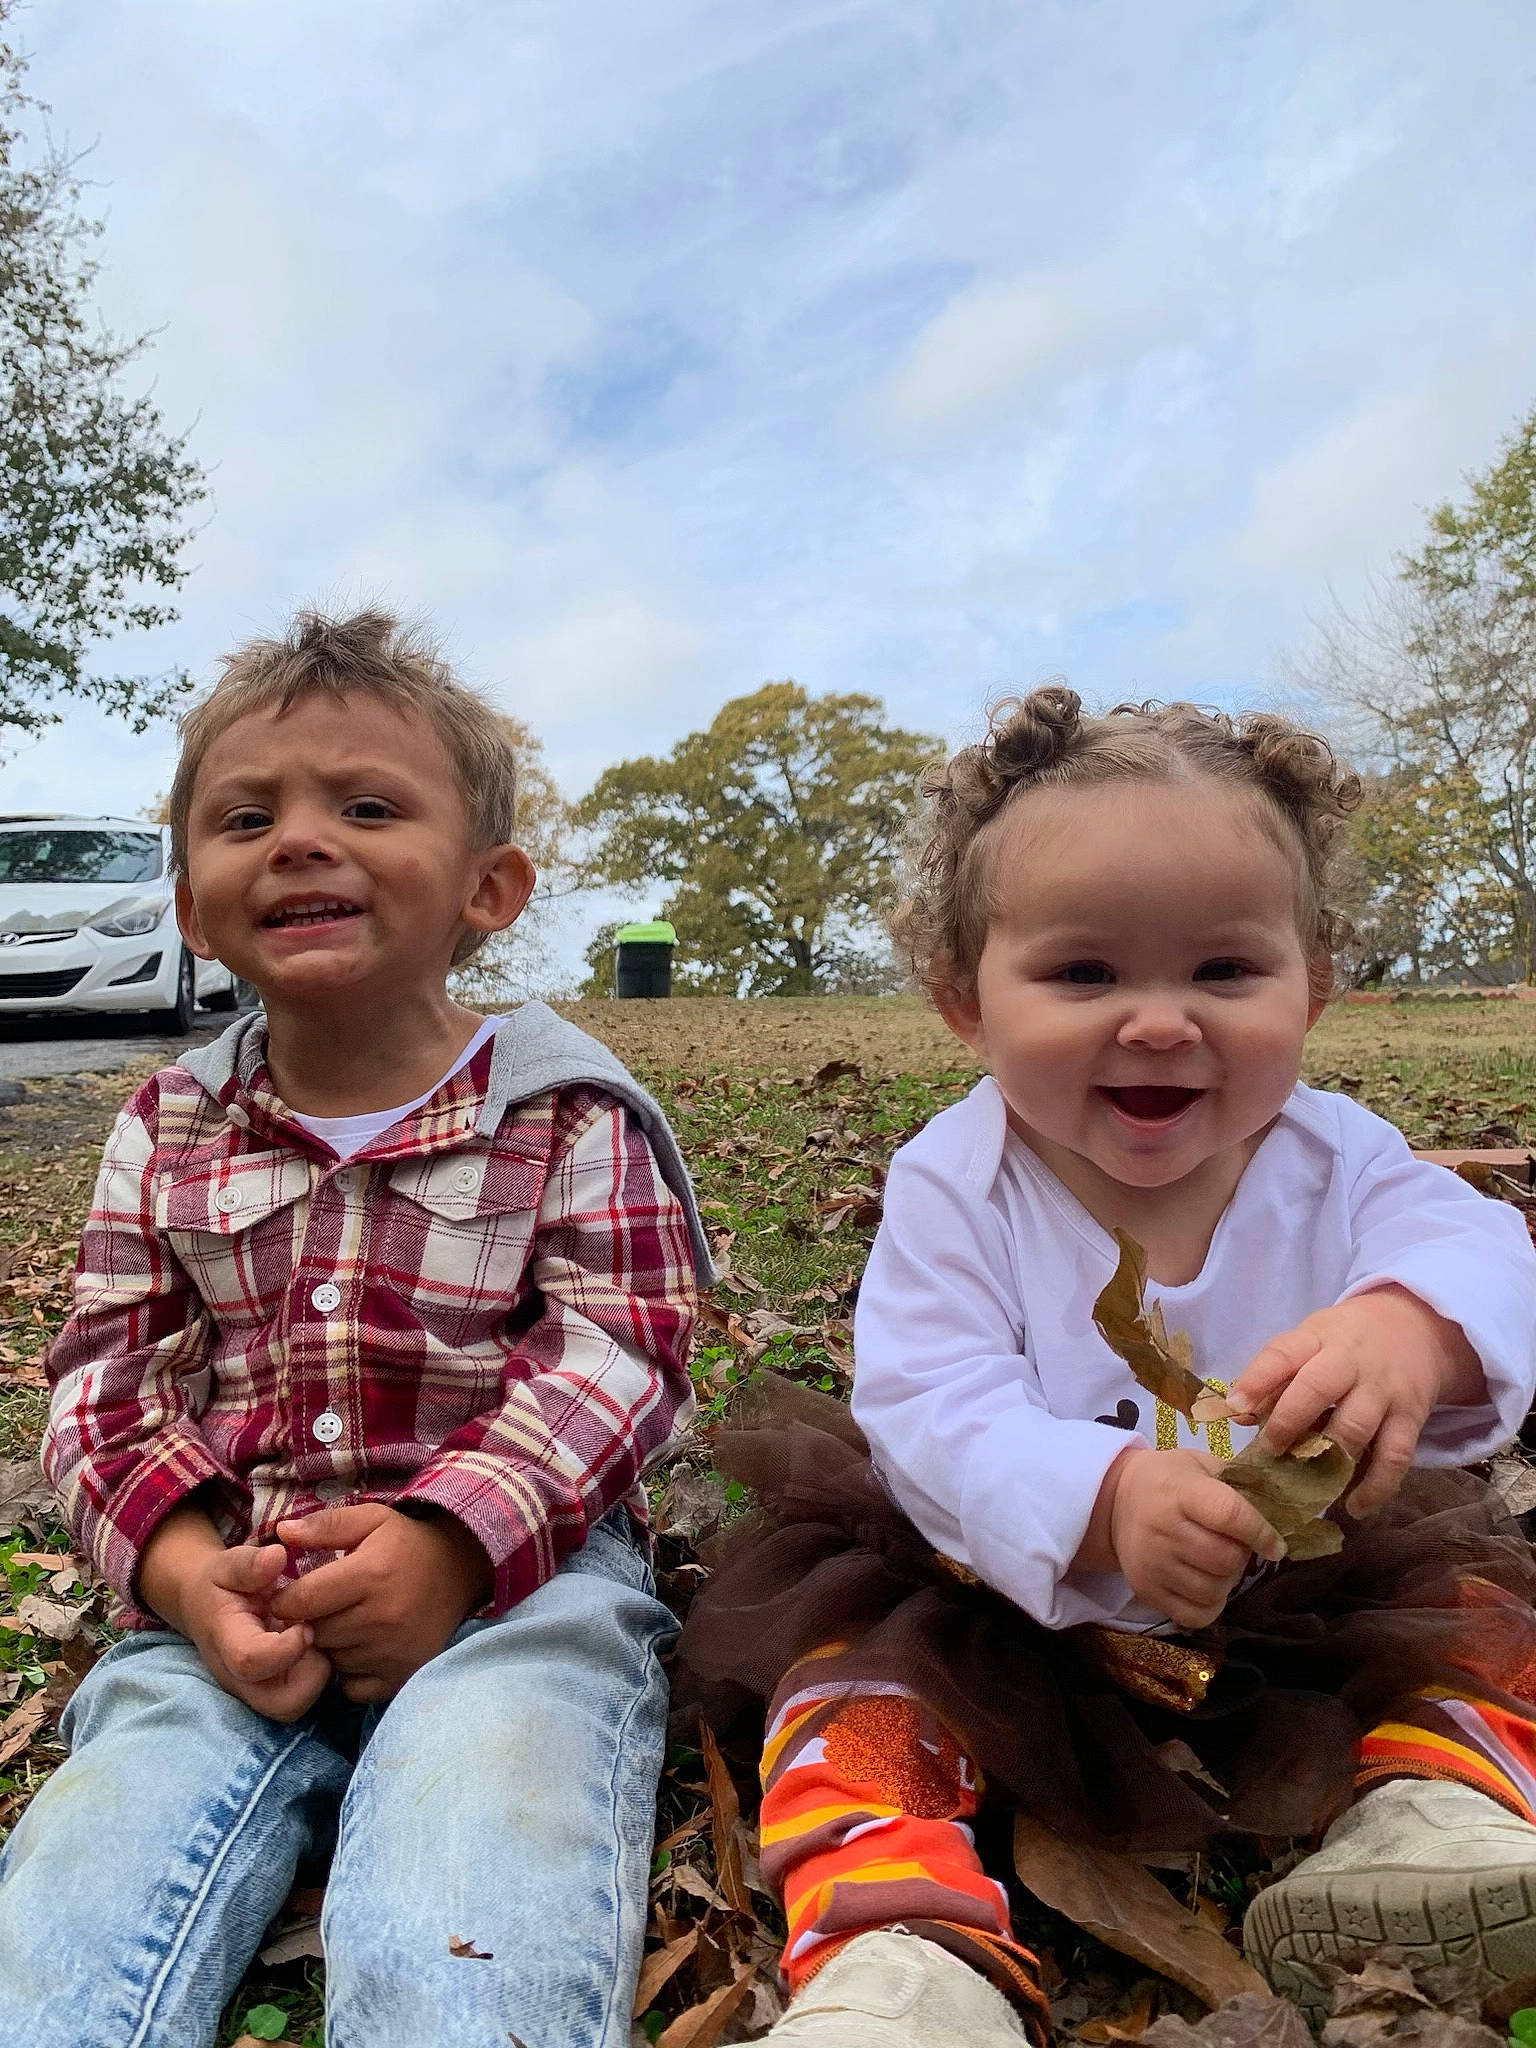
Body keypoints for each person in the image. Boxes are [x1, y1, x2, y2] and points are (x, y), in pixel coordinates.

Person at [676, 687, 1536, 2048]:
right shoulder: (960, 1181)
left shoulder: (1343, 1160)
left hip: (1305, 1580)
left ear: (1313, 980)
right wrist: (1099, 1495)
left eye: (1223, 972)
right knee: (851, 1684)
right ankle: (902, 1949)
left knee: (1480, 1615)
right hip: (991, 1592)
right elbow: (929, 1397)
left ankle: (1429, 1816)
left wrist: (1408, 1323)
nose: (1155, 1022)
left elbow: (1477, 1246)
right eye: (1084, 975)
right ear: (966, 1002)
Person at [0, 610, 712, 2048]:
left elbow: (619, 1353)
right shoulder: (170, 1122)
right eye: (247, 816)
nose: (300, 840)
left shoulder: (560, 1107)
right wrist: (193, 1579)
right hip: (236, 1587)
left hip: (523, 1585)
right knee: (80, 1889)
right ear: (192, 908)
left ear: (489, 887)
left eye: (368, 807)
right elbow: (104, 1380)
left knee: (474, 1880)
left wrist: (450, 1542)